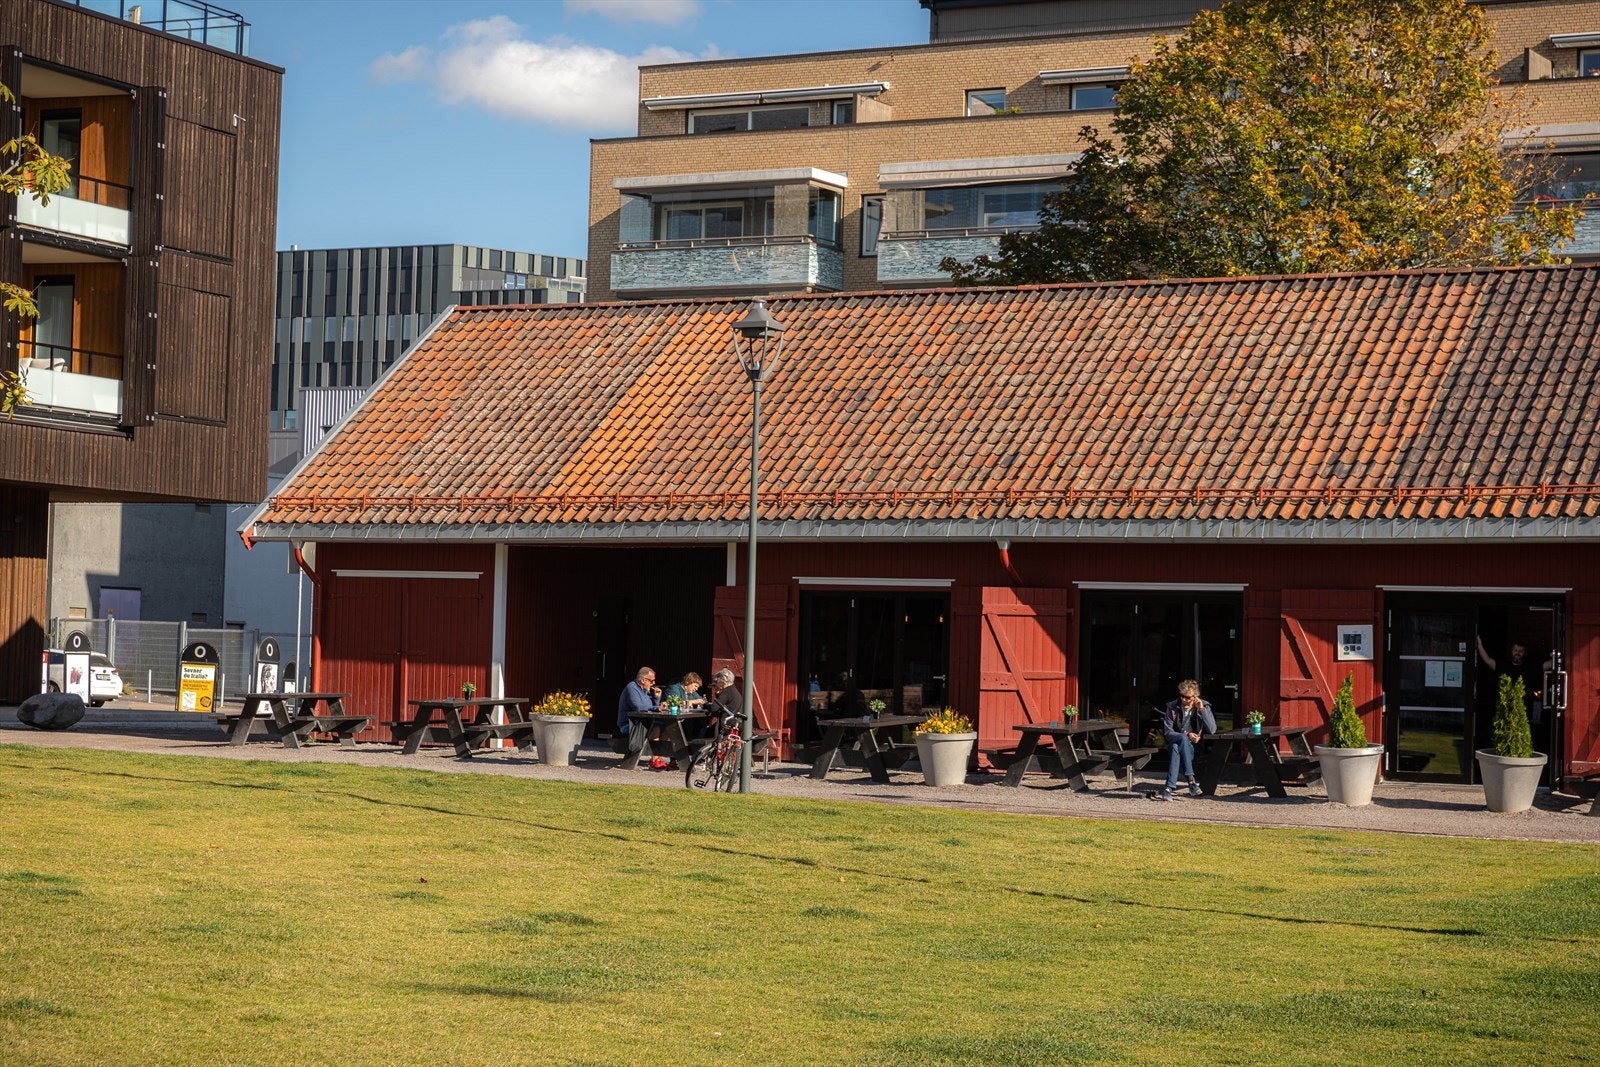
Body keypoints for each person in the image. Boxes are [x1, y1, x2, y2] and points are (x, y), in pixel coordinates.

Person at [1152, 679, 1216, 801]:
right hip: (1176, 741)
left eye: (1187, 697)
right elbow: (1168, 732)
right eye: (1182, 696)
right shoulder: (1172, 706)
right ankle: (1191, 781)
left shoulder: (1204, 706)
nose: (1184, 700)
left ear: (1195, 697)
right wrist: (1187, 734)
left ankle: (1169, 788)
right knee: (1180, 739)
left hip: (1194, 747)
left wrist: (1202, 710)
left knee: (1176, 747)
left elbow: (1212, 729)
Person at [1475, 635, 1550, 724]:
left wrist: (1561, 655)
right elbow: (1487, 660)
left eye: (1520, 651)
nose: (1517, 653)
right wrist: (1479, 645)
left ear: (1525, 653)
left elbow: (1546, 665)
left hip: (1524, 711)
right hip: (1505, 711)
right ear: (1511, 651)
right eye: (1515, 650)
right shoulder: (1503, 666)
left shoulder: (1530, 668)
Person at [616, 665, 658, 753]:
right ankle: (655, 758)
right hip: (629, 725)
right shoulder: (631, 688)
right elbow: (638, 707)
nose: (653, 683)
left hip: (642, 723)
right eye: (652, 681)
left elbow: (650, 707)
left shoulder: (646, 691)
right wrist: (657, 708)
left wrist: (657, 699)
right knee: (657, 728)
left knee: (666, 727)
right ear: (643, 680)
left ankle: (660, 757)